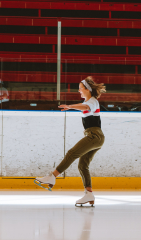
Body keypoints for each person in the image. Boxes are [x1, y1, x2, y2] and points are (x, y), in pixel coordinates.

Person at [34, 76, 106, 206]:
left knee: (72, 153)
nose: (78, 90)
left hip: (94, 136)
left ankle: (52, 176)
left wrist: (70, 106)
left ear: (87, 89)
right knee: (83, 165)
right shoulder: (90, 101)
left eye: (80, 88)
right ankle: (89, 194)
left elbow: (85, 107)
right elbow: (84, 106)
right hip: (95, 136)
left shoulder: (92, 101)